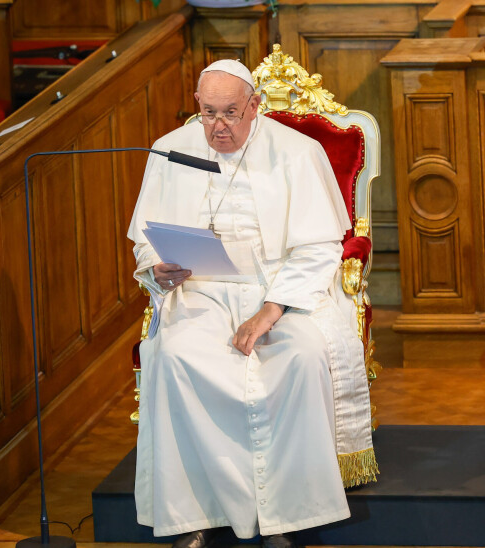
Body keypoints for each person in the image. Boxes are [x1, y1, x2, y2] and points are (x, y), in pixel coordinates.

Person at [127, 59, 377, 548]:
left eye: (230, 114)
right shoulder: (169, 150)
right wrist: (157, 267)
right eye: (208, 113)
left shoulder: (298, 152)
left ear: (255, 107)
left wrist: (271, 309)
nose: (218, 127)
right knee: (176, 356)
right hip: (200, 286)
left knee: (299, 357)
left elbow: (320, 247)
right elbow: (146, 238)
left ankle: (286, 517)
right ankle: (194, 514)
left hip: (280, 288)